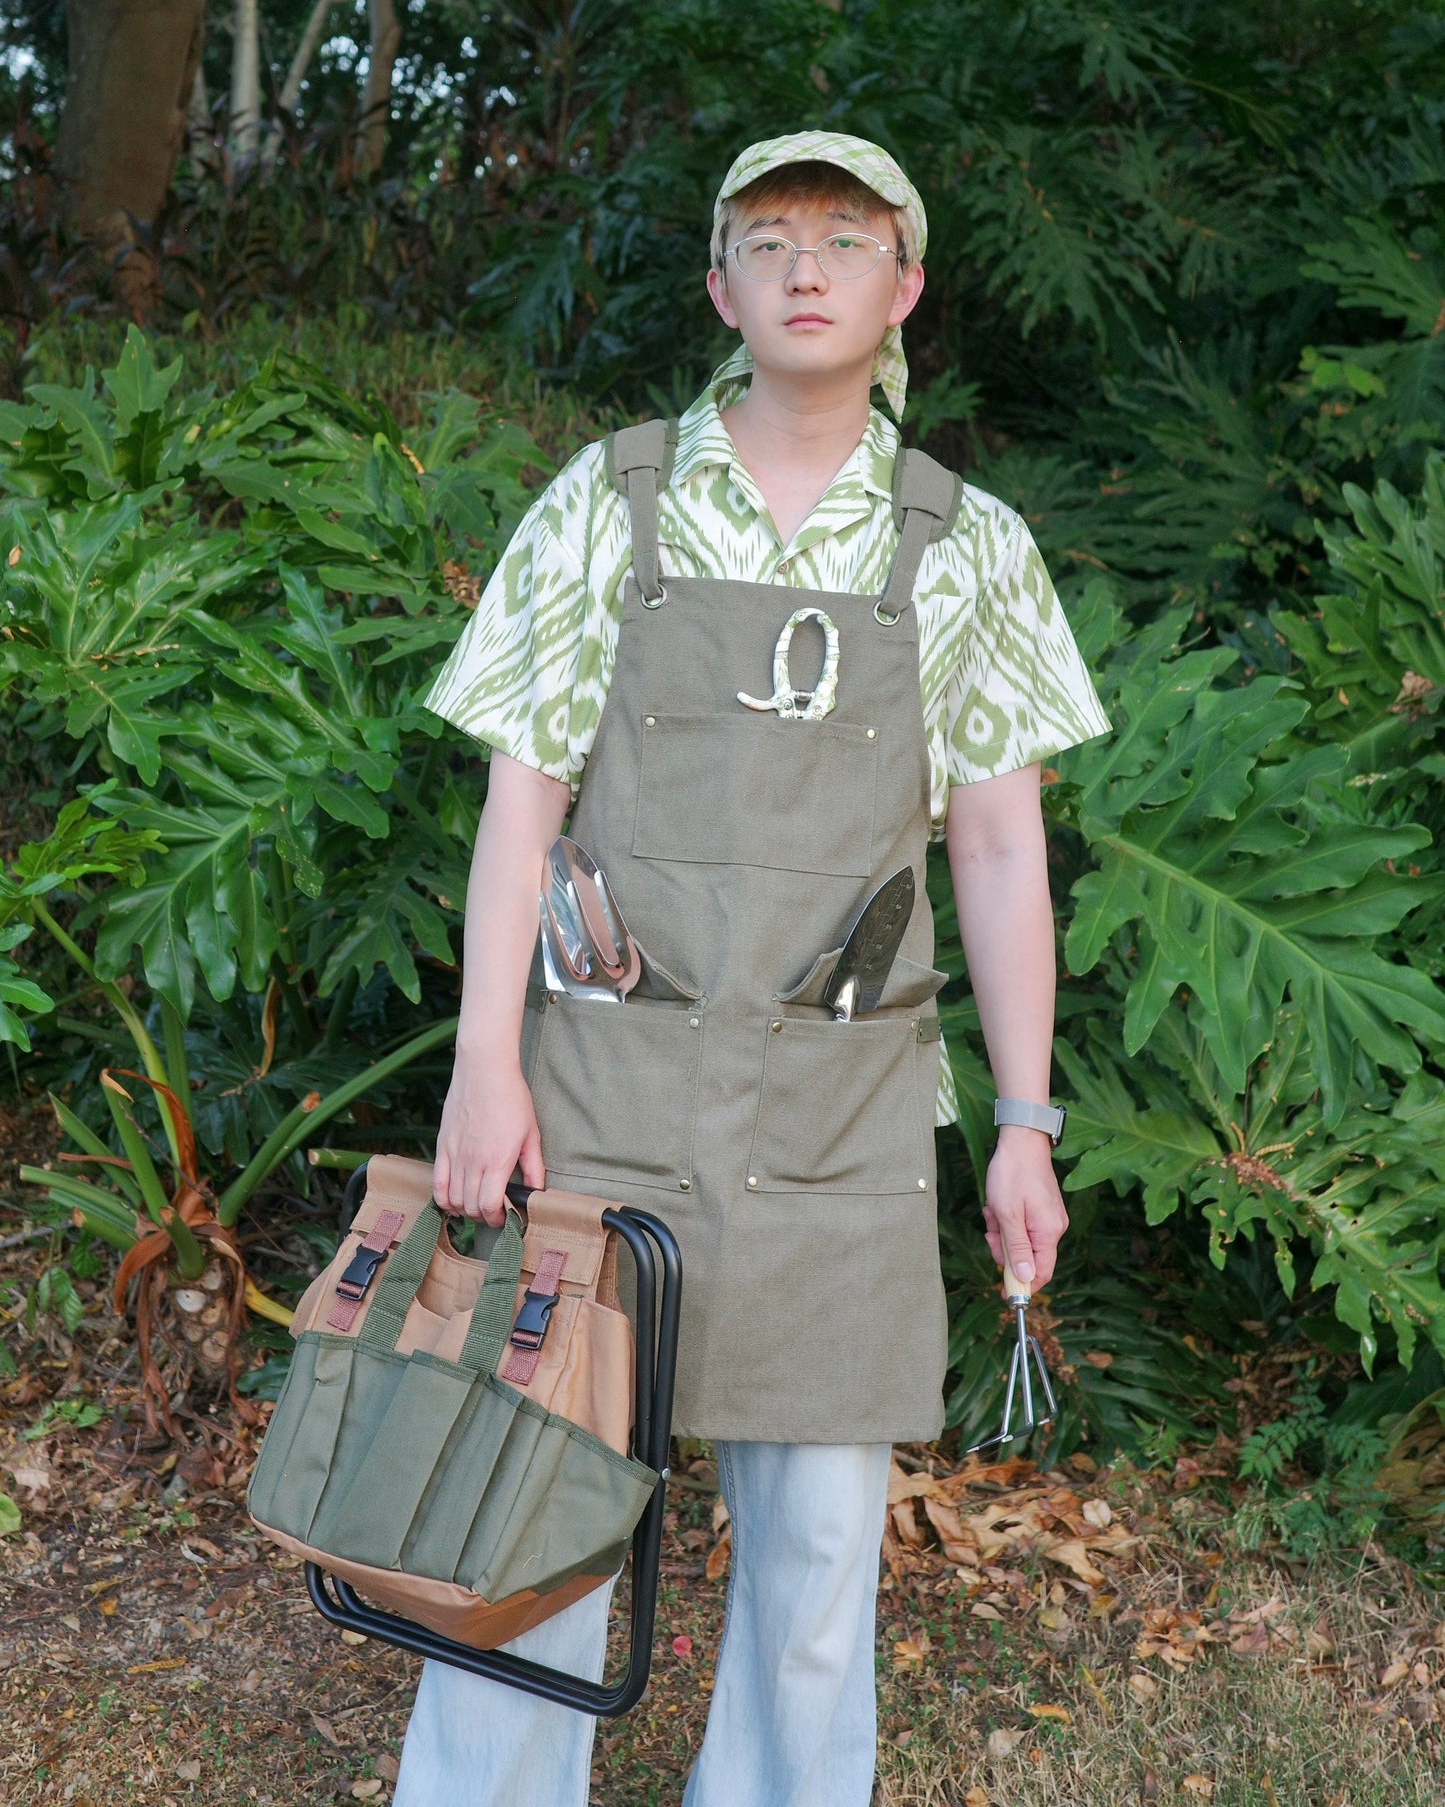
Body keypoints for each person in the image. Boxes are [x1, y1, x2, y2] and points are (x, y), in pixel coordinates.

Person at [396, 131, 1110, 1807]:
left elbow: (1000, 854)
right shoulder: (610, 494)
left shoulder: (967, 543)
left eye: (844, 241)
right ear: (720, 286)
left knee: (811, 1568)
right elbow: (520, 810)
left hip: (840, 1116)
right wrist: (484, 1066)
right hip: (597, 1092)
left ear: (900, 289)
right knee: (523, 1516)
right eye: (769, 239)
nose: (806, 268)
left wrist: (1024, 1121)